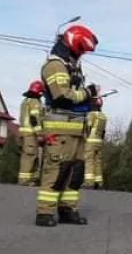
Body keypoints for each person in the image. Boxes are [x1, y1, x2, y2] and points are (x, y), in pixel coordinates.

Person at [36, 23, 100, 227]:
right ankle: (44, 213)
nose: (81, 54)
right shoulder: (55, 65)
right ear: (72, 43)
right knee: (56, 170)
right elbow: (62, 96)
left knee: (76, 173)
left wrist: (89, 101)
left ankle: (67, 210)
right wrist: (88, 93)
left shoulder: (70, 65)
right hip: (59, 128)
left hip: (77, 128)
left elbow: (74, 95)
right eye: (81, 49)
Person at [17, 80, 45, 186]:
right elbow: (34, 118)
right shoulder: (34, 102)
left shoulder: (25, 101)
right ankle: (25, 180)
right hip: (30, 134)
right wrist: (39, 133)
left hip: (23, 133)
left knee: (27, 155)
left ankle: (29, 178)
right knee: (30, 156)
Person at [83, 96, 107, 189]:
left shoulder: (91, 114)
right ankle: (99, 182)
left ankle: (89, 182)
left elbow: (88, 126)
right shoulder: (103, 116)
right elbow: (103, 131)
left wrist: (85, 137)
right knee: (97, 161)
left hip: (90, 141)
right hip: (99, 141)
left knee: (89, 161)